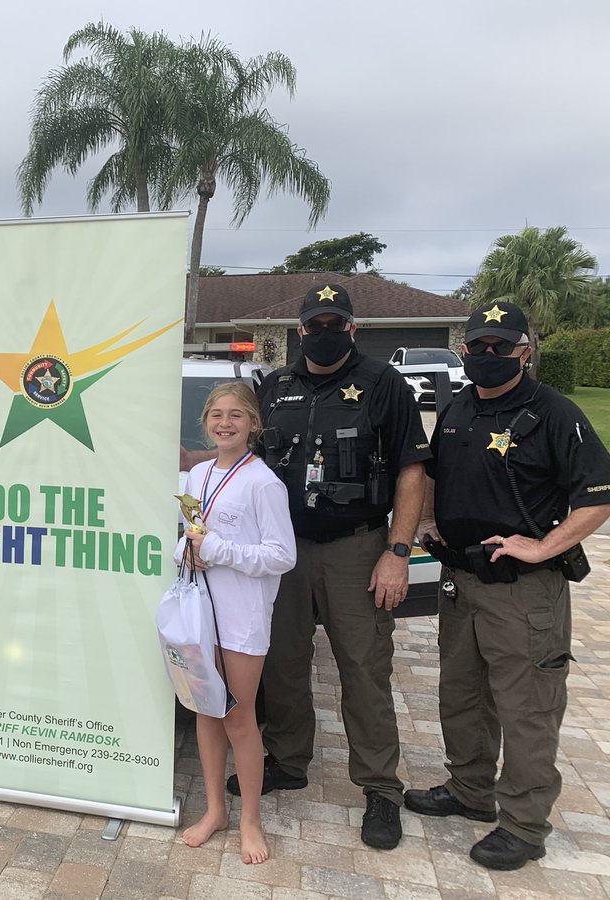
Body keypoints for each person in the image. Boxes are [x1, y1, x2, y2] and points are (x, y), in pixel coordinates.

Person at [406, 301, 610, 870]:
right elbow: (435, 475)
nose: (487, 355)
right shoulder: (457, 407)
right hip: (462, 581)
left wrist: (546, 545)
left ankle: (523, 824)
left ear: (525, 351)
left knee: (526, 708)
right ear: (464, 349)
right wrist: (425, 521)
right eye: (478, 346)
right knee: (463, 695)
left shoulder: (553, 413)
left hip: (524, 590)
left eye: (501, 347)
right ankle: (470, 790)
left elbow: (598, 494)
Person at [230, 283, 429, 852]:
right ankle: (288, 761)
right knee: (284, 661)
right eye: (314, 325)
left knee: (364, 668)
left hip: (357, 546)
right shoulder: (277, 386)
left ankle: (379, 788)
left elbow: (412, 471)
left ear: (352, 329)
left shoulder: (384, 385)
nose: (324, 333)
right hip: (284, 547)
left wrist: (398, 553)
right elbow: (245, 455)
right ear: (299, 332)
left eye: (334, 323)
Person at [176, 382, 296, 863]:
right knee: (206, 712)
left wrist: (218, 551)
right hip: (199, 615)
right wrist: (185, 548)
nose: (225, 424)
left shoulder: (263, 482)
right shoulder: (197, 474)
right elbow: (185, 533)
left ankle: (250, 820)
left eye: (236, 416)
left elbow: (282, 555)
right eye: (217, 416)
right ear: (205, 421)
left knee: (238, 718)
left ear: (253, 424)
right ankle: (214, 812)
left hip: (242, 619)